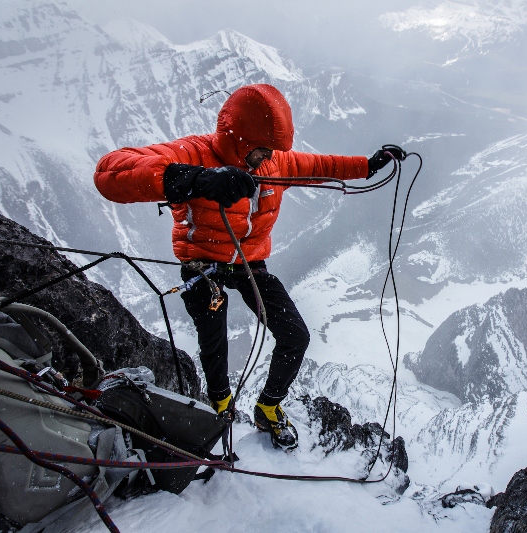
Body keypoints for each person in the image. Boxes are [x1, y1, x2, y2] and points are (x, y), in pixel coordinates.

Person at [94, 84, 402, 449]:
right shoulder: (194, 154)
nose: (267, 157)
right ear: (239, 139)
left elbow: (321, 165)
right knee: (215, 345)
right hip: (202, 265)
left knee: (295, 336)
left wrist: (368, 166)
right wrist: (195, 179)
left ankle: (267, 408)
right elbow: (110, 172)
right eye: (261, 149)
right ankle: (221, 408)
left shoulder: (273, 162)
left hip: (249, 262)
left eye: (271, 150)